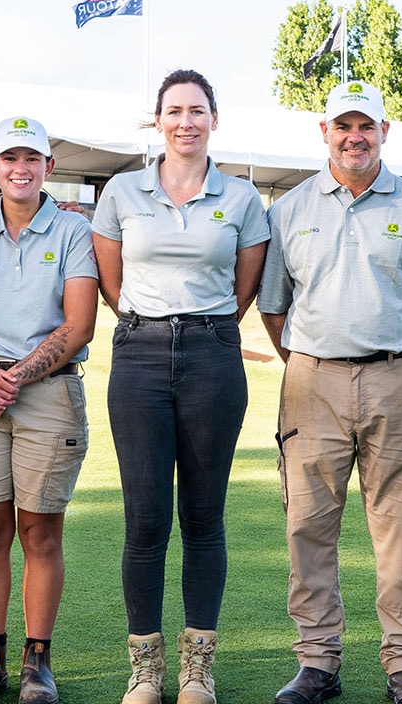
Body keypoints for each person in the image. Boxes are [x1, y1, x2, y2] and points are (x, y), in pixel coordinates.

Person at [259, 81, 402, 704]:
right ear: (324, 132)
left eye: (365, 126)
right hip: (310, 382)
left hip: (397, 380)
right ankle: (317, 662)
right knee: (308, 527)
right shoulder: (288, 210)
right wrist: (316, 363)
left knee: (400, 529)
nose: (354, 137)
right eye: (342, 126)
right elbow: (274, 308)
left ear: (384, 132)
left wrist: (395, 362)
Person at [91, 69, 270, 704]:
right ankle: (146, 668)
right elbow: (111, 284)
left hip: (213, 355)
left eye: (197, 110)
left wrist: (203, 328)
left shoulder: (242, 197)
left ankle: (198, 667)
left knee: (202, 515)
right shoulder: (121, 191)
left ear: (214, 119)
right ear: (158, 119)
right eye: (174, 110)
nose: (186, 121)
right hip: (138, 356)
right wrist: (151, 327)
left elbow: (244, 287)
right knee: (144, 519)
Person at [0, 116, 98, 704]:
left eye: (32, 158)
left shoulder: (73, 232)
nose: (21, 169)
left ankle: (37, 661)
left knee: (40, 530)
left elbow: (79, 324)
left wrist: (13, 378)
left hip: (49, 390)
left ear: (49, 168)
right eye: (10, 158)